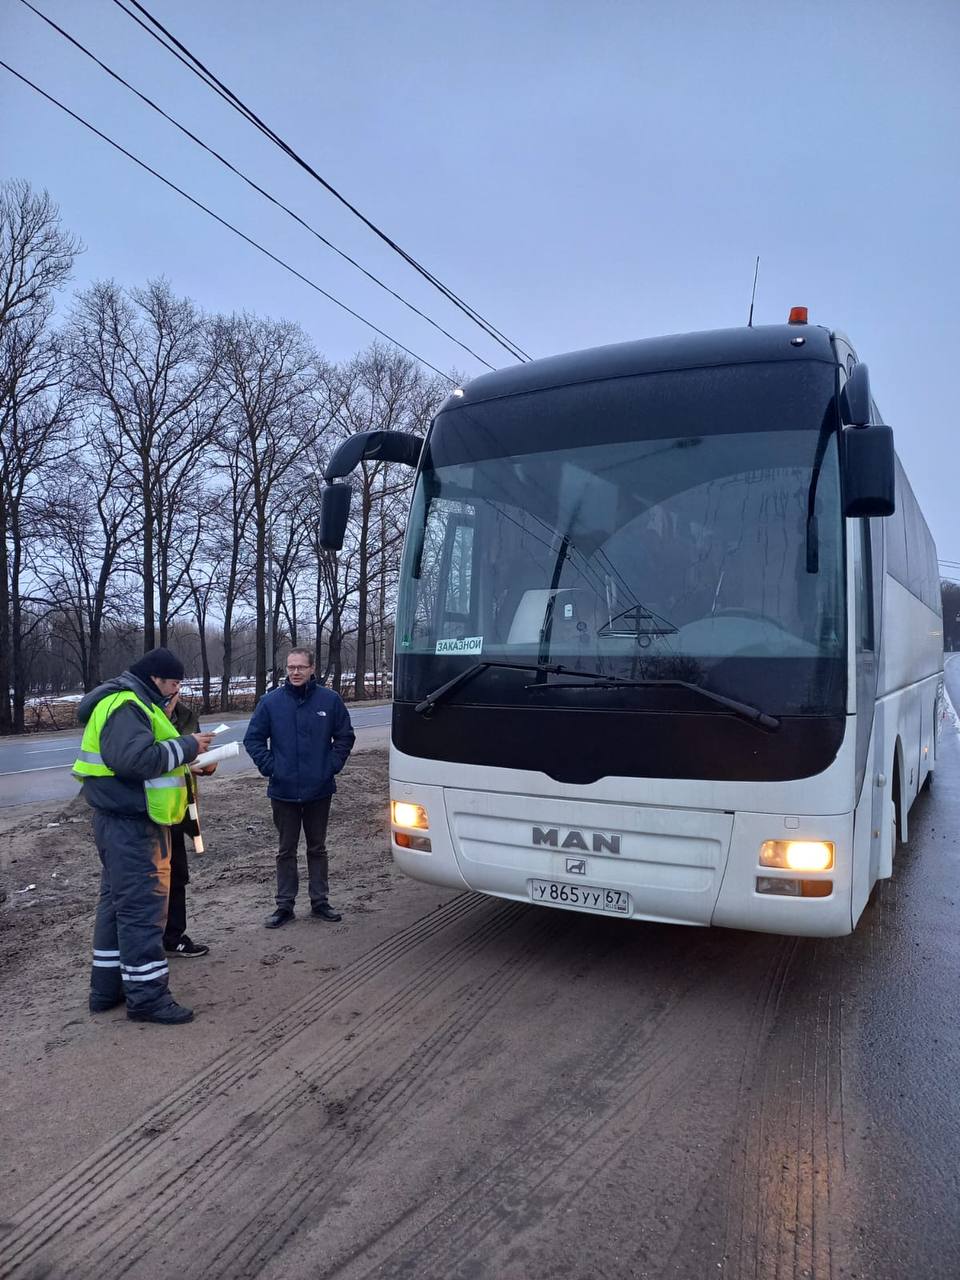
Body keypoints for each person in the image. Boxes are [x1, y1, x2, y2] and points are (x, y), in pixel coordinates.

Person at [73, 648, 214, 1025]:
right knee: (142, 911)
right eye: (173, 683)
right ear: (156, 679)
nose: (176, 691)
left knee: (116, 906)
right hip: (132, 824)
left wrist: (187, 759)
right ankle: (148, 998)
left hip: (123, 820)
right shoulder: (127, 705)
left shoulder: (131, 702)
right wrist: (188, 746)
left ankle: (107, 989)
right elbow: (133, 760)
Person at [243, 648, 355, 928]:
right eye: (291, 667)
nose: (295, 672)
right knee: (286, 850)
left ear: (312, 669)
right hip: (283, 791)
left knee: (317, 848)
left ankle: (320, 902)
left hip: (319, 790)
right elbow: (253, 739)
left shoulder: (329, 700)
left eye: (301, 667)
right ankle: (284, 905)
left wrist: (329, 767)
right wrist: (272, 768)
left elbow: (344, 736)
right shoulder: (270, 703)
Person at [163, 691, 218, 959]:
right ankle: (150, 940)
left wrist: (206, 764)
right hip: (150, 811)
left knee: (177, 875)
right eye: (168, 687)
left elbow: (195, 757)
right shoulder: (142, 714)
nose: (172, 696)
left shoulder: (186, 716)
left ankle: (173, 937)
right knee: (152, 880)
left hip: (180, 807)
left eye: (176, 690)